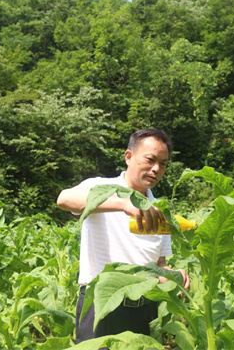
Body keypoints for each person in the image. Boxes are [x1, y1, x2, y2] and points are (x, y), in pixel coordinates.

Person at [56, 128, 190, 343]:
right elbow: (64, 199)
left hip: (144, 309)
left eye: (163, 164)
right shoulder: (102, 188)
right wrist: (123, 204)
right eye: (150, 160)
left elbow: (160, 263)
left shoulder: (158, 210)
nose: (156, 169)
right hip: (101, 304)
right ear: (129, 157)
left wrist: (173, 275)